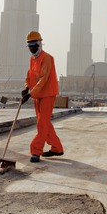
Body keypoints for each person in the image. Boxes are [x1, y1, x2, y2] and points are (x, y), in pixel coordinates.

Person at [22, 31, 63, 163]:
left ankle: (35, 150)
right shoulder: (32, 59)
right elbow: (30, 75)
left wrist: (30, 93)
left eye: (34, 45)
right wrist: (26, 87)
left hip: (47, 95)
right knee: (45, 123)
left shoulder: (47, 58)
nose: (32, 48)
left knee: (42, 123)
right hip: (37, 95)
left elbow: (43, 79)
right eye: (30, 46)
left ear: (39, 44)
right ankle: (57, 148)